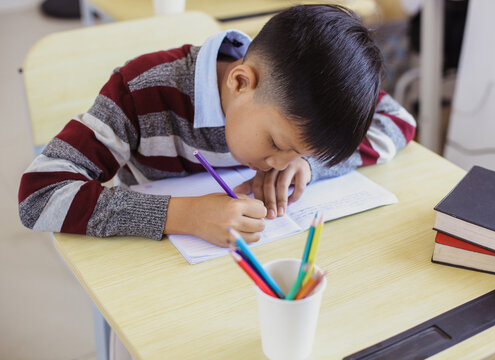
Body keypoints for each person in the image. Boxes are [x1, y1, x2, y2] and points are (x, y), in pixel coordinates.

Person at [18, 4, 416, 247]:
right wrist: (187, 216)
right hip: (156, 271)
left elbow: (399, 121)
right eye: (277, 144)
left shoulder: (308, 99)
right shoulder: (139, 93)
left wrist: (309, 165)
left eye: (296, 153)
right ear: (240, 82)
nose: (279, 164)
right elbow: (39, 194)